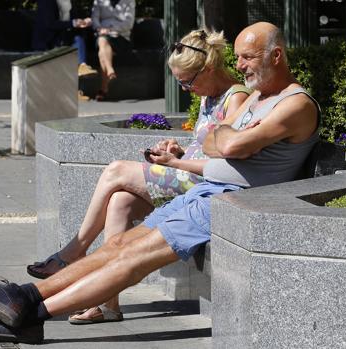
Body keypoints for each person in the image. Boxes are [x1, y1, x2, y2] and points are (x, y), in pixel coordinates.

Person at [0, 22, 321, 344]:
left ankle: (32, 316)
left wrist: (227, 139)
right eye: (239, 57)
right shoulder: (257, 97)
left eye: (248, 57)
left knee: (134, 258)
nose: (239, 65)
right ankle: (26, 296)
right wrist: (225, 139)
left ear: (275, 55)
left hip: (233, 202)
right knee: (118, 245)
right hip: (207, 191)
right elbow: (217, 140)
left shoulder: (295, 104)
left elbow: (227, 143)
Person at [26, 28, 251, 323]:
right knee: (119, 200)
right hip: (188, 174)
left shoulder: (235, 98)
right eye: (179, 82)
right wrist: (178, 151)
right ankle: (107, 305)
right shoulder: (209, 95)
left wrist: (175, 163)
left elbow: (225, 161)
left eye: (187, 82)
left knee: (116, 170)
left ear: (208, 69)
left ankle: (72, 254)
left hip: (208, 186)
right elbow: (205, 147)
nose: (185, 89)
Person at [89, 0, 136, 101]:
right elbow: (94, 18)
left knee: (102, 53)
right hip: (102, 34)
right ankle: (109, 71)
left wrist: (110, 29)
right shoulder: (99, 1)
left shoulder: (129, 1)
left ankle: (104, 87)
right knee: (102, 40)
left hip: (121, 36)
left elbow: (129, 23)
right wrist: (100, 28)